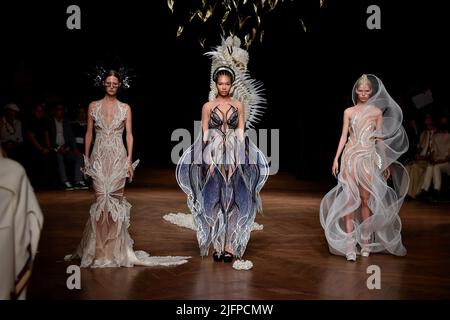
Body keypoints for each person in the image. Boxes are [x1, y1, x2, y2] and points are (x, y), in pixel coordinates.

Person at [65, 69, 189, 268]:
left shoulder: (125, 108)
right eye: (109, 83)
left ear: (119, 85)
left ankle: (112, 252)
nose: (112, 86)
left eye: (115, 83)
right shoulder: (93, 106)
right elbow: (88, 133)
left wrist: (129, 160)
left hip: (118, 158)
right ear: (103, 84)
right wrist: (86, 158)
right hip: (98, 158)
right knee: (100, 204)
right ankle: (98, 252)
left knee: (114, 204)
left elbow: (129, 135)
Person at [176, 36, 269, 263]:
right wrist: (201, 155)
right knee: (215, 196)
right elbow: (205, 132)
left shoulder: (238, 105)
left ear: (231, 84)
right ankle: (217, 246)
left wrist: (244, 152)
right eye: (221, 84)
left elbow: (240, 130)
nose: (224, 87)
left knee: (233, 197)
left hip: (234, 152)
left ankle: (229, 245)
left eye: (227, 84)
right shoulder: (208, 106)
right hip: (214, 152)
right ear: (216, 84)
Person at [320, 74, 409, 261]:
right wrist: (336, 158)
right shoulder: (349, 112)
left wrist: (384, 162)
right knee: (350, 200)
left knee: (365, 200)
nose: (363, 93)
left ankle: (366, 243)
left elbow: (380, 139)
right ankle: (351, 246)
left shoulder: (376, 112)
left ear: (371, 92)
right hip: (350, 157)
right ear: (356, 91)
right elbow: (344, 136)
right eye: (360, 90)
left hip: (367, 158)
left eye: (366, 90)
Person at [48, 104, 86, 190]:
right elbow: (49, 137)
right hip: (54, 148)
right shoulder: (50, 122)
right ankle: (64, 181)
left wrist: (74, 149)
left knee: (79, 156)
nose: (60, 112)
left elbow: (71, 138)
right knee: (59, 156)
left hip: (65, 148)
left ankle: (78, 181)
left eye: (61, 110)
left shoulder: (66, 122)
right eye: (58, 110)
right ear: (54, 111)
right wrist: (58, 147)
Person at [416, 115, 450, 200]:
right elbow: (434, 152)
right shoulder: (437, 136)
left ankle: (436, 190)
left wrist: (438, 161)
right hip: (438, 162)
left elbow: (448, 157)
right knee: (431, 166)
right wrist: (432, 159)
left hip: (447, 163)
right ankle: (425, 190)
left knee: (436, 166)